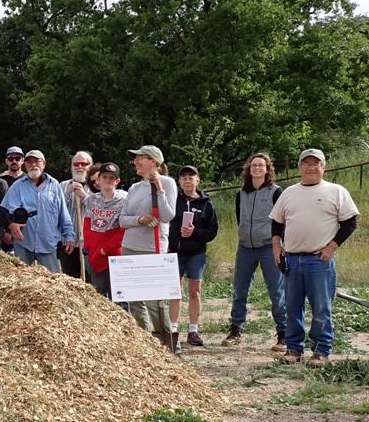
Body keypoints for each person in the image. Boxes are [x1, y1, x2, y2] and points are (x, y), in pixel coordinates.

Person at [271, 149, 359, 366]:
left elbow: (350, 223)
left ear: (323, 166)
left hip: (319, 260)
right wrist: (276, 246)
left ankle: (321, 350)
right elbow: (277, 222)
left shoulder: (336, 191)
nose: (311, 167)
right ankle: (293, 349)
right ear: (299, 167)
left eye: (316, 163)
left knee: (321, 307)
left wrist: (332, 246)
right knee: (292, 307)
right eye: (306, 163)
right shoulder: (289, 193)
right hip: (292, 258)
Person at [224, 152, 287, 350]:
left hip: (269, 247)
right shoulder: (241, 193)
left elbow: (282, 220)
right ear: (248, 170)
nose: (257, 168)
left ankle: (283, 334)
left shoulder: (276, 192)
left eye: (261, 165)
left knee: (276, 291)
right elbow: (239, 218)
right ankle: (236, 330)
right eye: (253, 165)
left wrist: (279, 244)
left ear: (268, 169)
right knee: (240, 290)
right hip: (245, 248)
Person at [118, 145, 178, 345]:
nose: (135, 161)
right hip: (130, 246)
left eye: (139, 158)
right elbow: (122, 220)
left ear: (153, 161)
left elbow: (168, 216)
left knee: (155, 302)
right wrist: (140, 219)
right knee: (134, 300)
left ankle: (169, 344)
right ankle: (145, 343)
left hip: (153, 248)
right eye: (135, 158)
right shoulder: (134, 188)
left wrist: (159, 189)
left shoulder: (168, 183)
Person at [167, 165, 218, 347]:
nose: (188, 181)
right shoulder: (174, 200)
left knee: (194, 291)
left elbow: (212, 231)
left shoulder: (206, 203)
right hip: (175, 252)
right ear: (179, 182)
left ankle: (193, 330)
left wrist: (195, 232)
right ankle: (173, 329)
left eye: (191, 177)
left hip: (196, 253)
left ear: (198, 181)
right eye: (184, 178)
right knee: (175, 291)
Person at [1, 149, 74, 272]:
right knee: (20, 283)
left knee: (52, 283)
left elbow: (63, 215)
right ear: (25, 165)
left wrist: (69, 236)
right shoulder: (17, 186)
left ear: (44, 164)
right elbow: (5, 211)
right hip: (23, 243)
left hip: (48, 243)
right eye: (29, 162)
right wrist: (11, 224)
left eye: (37, 161)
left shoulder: (54, 185)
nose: (33, 165)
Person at [83, 162, 126, 299]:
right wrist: (89, 245)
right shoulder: (91, 200)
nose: (108, 180)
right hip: (95, 254)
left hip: (114, 255)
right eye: (105, 177)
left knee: (118, 296)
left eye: (111, 178)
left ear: (117, 181)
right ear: (98, 179)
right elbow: (87, 224)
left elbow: (123, 229)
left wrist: (107, 248)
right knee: (98, 295)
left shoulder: (124, 200)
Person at [60, 150, 93, 279]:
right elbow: (55, 210)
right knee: (71, 281)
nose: (79, 167)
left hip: (88, 244)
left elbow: (98, 210)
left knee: (91, 282)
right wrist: (67, 194)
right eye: (76, 164)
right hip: (68, 243)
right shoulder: (62, 185)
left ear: (90, 166)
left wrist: (84, 196)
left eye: (84, 164)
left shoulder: (96, 186)